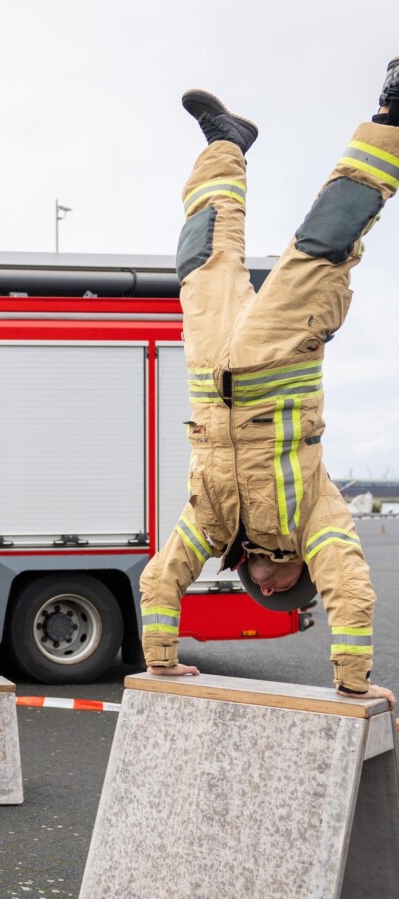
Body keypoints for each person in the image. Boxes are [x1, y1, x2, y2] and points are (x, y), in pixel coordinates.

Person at [140, 63, 399, 709]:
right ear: (296, 574)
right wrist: (352, 682)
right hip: (279, 355)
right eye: (282, 586)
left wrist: (162, 663)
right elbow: (352, 587)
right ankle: (391, 117)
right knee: (322, 243)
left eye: (266, 588)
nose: (268, 583)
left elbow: (162, 579)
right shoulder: (318, 512)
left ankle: (225, 144)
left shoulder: (213, 524)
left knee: (200, 258)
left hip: (209, 368)